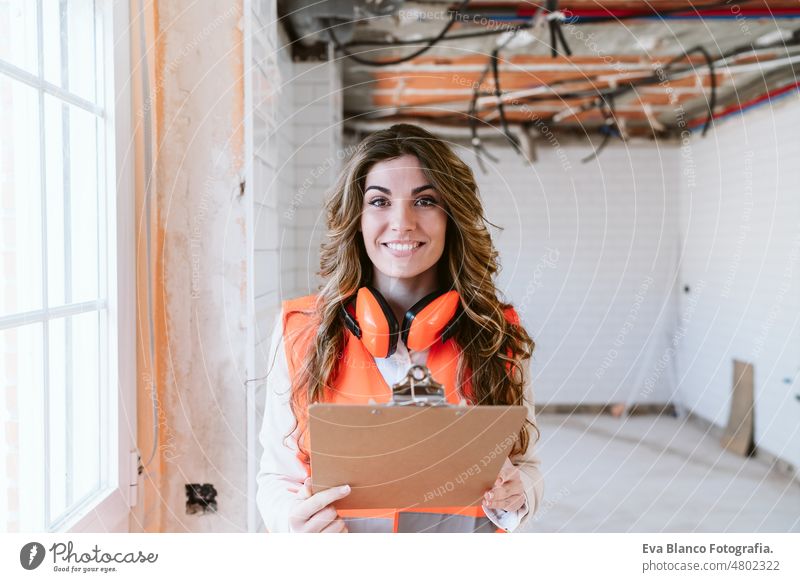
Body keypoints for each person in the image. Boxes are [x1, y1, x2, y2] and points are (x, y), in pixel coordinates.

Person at [257, 123, 543, 533]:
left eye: (424, 201)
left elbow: (528, 468)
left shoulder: (496, 334)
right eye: (380, 201)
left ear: (451, 217)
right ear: (357, 218)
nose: (402, 222)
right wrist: (293, 526)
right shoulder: (301, 334)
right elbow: (276, 478)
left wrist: (521, 493)